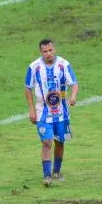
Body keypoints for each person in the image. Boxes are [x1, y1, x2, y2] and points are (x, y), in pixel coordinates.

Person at [24, 39, 78, 187]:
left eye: (50, 50)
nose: (48, 53)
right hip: (42, 112)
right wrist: (31, 109)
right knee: (47, 142)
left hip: (61, 112)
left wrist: (73, 96)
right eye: (45, 51)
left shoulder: (64, 64)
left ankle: (56, 171)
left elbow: (74, 83)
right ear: (41, 52)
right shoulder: (34, 67)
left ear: (55, 50)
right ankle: (47, 176)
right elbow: (27, 88)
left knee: (60, 142)